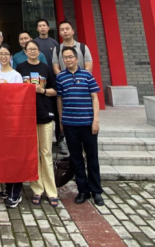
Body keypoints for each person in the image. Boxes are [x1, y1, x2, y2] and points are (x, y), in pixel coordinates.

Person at [56, 46, 104, 206]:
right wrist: (61, 121)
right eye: (65, 57)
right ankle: (83, 190)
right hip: (70, 124)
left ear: (77, 58)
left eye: (70, 57)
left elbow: (95, 98)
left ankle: (96, 191)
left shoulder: (87, 75)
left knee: (92, 159)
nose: (68, 59)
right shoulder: (60, 77)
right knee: (76, 159)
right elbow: (59, 99)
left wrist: (95, 120)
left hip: (88, 124)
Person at [15, 40, 59, 208]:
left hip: (45, 113)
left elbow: (55, 90)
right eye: (29, 49)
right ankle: (37, 189)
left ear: (39, 51)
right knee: (34, 153)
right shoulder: (20, 68)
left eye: (35, 49)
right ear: (25, 51)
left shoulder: (46, 68)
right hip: (28, 116)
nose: (32, 51)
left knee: (46, 153)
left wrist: (43, 91)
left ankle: (52, 191)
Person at [0, 43, 25, 208]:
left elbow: (19, 99)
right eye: (1, 54)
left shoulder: (16, 76)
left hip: (13, 121)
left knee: (14, 156)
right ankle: (8, 187)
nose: (3, 56)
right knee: (3, 156)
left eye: (6, 54)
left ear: (11, 56)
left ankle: (16, 192)